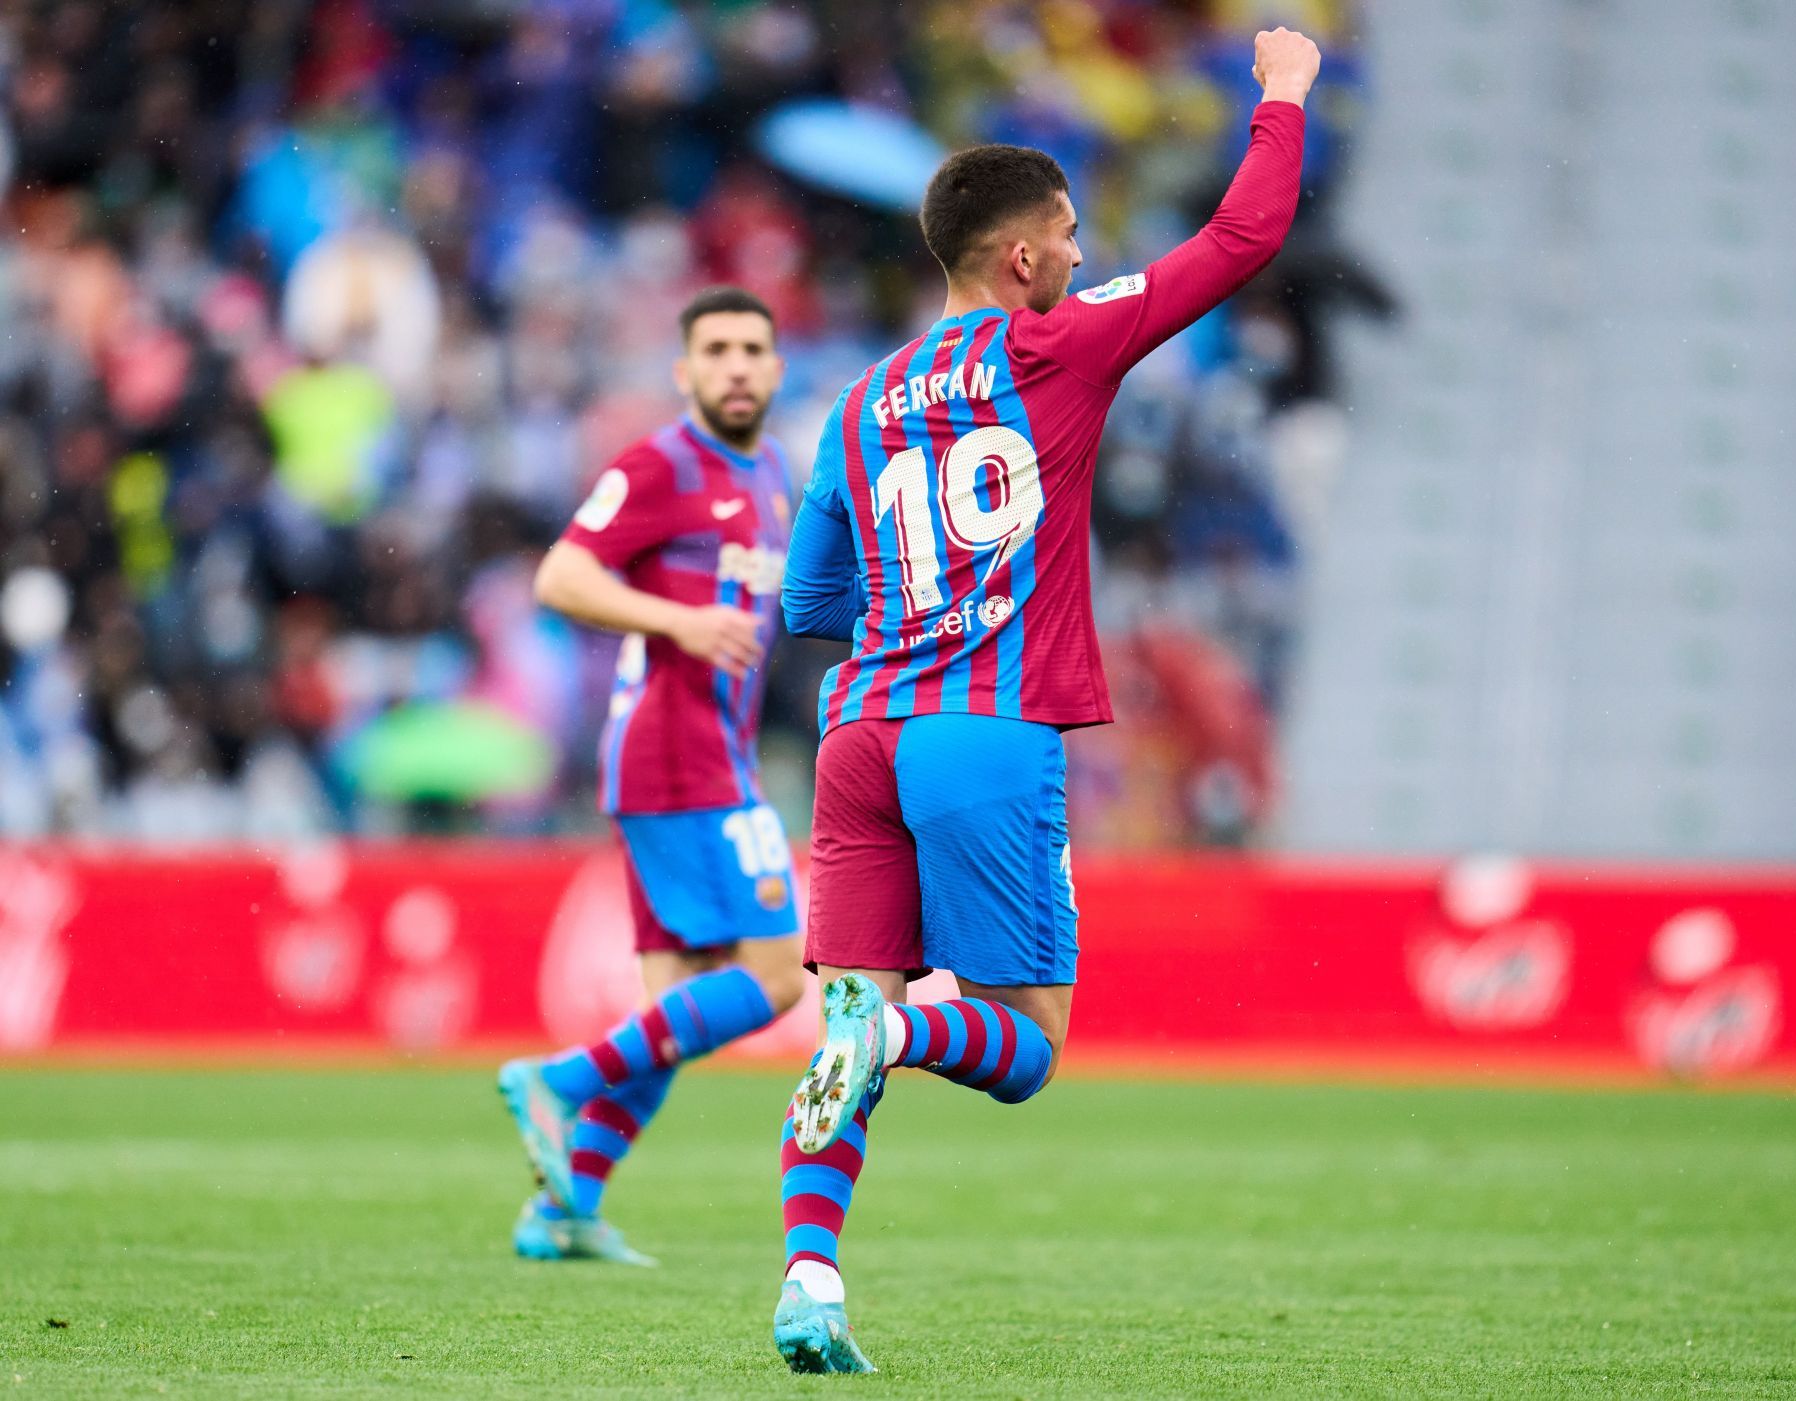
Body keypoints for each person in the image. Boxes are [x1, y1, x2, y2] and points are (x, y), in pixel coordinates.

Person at [767, 26, 1322, 1373]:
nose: (1080, 251)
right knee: (1023, 1040)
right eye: (1067, 233)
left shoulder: (855, 402)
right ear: (1017, 258)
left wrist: (919, 607)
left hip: (859, 738)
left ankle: (808, 1282)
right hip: (982, 733)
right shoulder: (1059, 347)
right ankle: (887, 1023)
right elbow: (1241, 241)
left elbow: (805, 606)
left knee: (846, 1013)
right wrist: (1283, 98)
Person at [495, 286, 806, 1264]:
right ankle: (562, 1080)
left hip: (713, 748)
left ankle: (561, 1210)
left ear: (776, 366)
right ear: (685, 372)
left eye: (753, 348)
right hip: (676, 753)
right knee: (779, 974)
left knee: (673, 1008)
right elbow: (560, 576)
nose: (737, 366)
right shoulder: (663, 463)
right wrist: (676, 622)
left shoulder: (772, 478)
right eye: (715, 350)